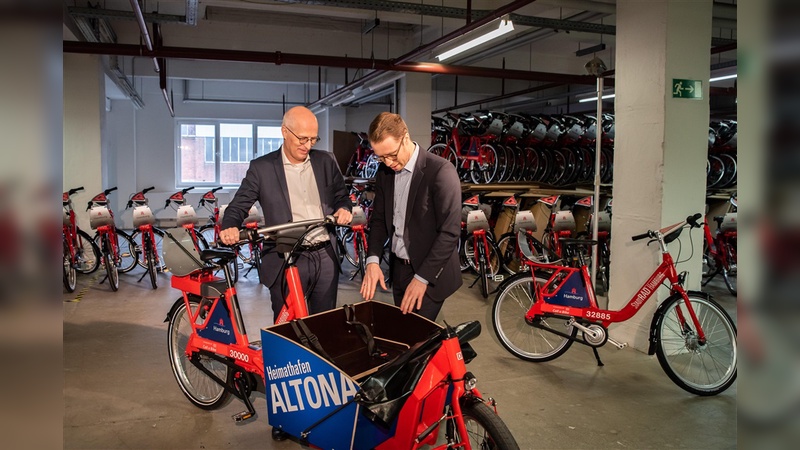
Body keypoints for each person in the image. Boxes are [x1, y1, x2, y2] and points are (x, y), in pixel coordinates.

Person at [220, 106, 352, 321]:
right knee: (289, 328)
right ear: (284, 132)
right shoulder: (262, 168)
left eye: (313, 139)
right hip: (286, 256)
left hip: (325, 254)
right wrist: (230, 226)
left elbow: (341, 196)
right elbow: (238, 205)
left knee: (326, 324)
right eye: (302, 139)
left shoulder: (326, 161)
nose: (307, 145)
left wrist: (343, 208)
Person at [359, 112, 462, 321]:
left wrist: (422, 278)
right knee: (405, 333)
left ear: (405, 137)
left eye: (392, 154)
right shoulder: (384, 172)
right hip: (399, 269)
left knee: (416, 341)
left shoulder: (441, 171)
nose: (388, 162)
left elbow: (449, 232)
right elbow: (379, 219)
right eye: (381, 157)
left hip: (430, 271)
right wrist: (373, 260)